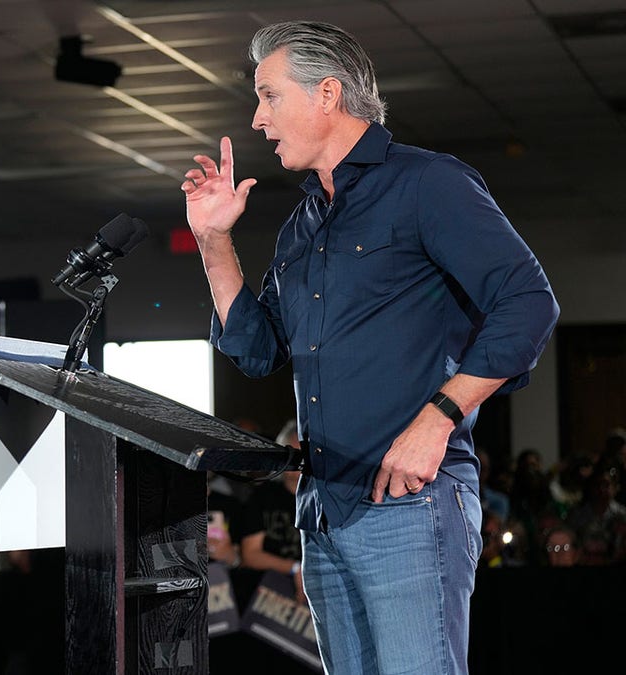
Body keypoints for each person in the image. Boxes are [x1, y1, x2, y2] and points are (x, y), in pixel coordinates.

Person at [182, 20, 560, 674]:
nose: (257, 118)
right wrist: (214, 242)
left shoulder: (427, 184)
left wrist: (439, 416)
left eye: (270, 96)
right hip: (325, 512)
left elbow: (528, 302)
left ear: (327, 93)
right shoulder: (303, 224)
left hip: (411, 506)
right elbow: (257, 348)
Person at [234, 421, 304, 602]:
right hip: (266, 594)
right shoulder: (263, 496)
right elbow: (250, 554)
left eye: (304, 456)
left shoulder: (323, 498)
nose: (299, 465)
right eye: (293, 456)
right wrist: (296, 568)